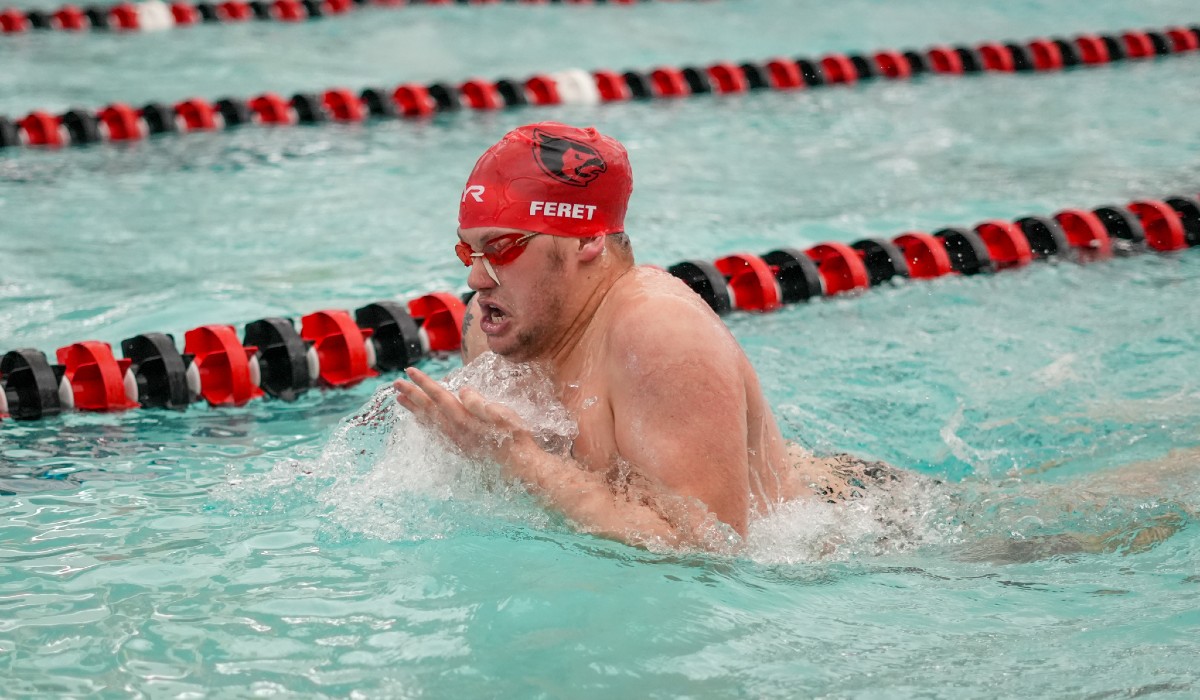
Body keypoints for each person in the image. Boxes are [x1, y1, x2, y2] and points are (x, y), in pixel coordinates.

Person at [390, 122, 920, 550]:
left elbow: (706, 551)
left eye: (502, 249)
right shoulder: (491, 328)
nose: (477, 279)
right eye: (469, 251)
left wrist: (519, 462)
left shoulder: (658, 328)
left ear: (588, 241)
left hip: (873, 528)